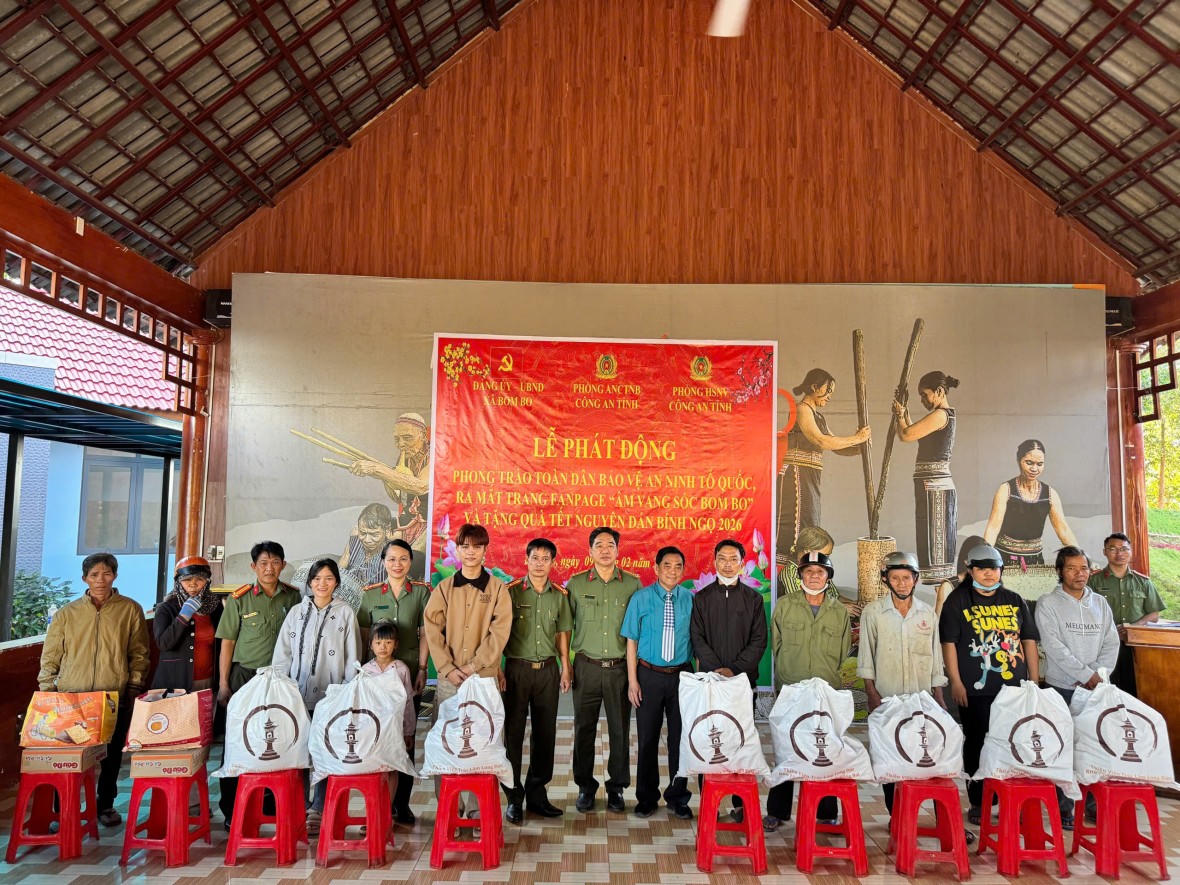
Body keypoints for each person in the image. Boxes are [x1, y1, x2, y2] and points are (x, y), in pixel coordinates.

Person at [38, 552, 150, 828]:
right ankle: (63, 808)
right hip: (72, 698)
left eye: (106, 574)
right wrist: (47, 689)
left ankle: (105, 805)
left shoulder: (130, 610)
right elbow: (51, 655)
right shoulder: (67, 614)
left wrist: (133, 685)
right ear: (84, 578)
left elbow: (139, 652)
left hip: (112, 696)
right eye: (94, 575)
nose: (101, 580)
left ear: (115, 576)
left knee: (111, 756)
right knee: (69, 756)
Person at [940, 543, 1040, 826]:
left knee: (1014, 741)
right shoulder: (957, 601)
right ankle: (979, 801)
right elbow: (948, 644)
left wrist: (1033, 681)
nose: (988, 573)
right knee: (977, 742)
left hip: (1014, 690)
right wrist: (956, 681)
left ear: (1001, 570)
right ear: (970, 570)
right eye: (982, 568)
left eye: (993, 568)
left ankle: (1011, 798)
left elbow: (1028, 641)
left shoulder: (1014, 600)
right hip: (974, 690)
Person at [423, 523, 511, 819]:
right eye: (465, 546)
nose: (470, 552)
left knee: (482, 743)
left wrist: (474, 666)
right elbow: (432, 629)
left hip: (483, 679)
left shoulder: (498, 589)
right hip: (450, 680)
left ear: (485, 550)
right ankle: (449, 808)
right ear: (458, 550)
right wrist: (447, 668)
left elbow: (499, 634)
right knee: (446, 741)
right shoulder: (444, 588)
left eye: (476, 546)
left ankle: (476, 810)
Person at [763, 552, 851, 832]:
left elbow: (843, 652)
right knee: (786, 748)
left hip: (826, 692)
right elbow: (776, 644)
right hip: (791, 690)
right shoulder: (784, 606)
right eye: (809, 571)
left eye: (820, 571)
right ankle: (777, 811)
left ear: (828, 577)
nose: (814, 576)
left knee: (825, 748)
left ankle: (826, 812)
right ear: (800, 575)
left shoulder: (839, 612)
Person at [271, 558, 360, 834]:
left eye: (329, 578)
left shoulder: (345, 613)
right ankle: (299, 804)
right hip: (296, 696)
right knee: (297, 749)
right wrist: (281, 688)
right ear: (309, 582)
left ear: (337, 583)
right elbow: (282, 654)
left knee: (324, 751)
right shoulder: (296, 612)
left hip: (330, 697)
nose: (322, 584)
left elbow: (352, 657)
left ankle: (318, 808)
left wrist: (345, 692)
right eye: (317, 578)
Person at [215, 540, 300, 827]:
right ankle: (231, 809)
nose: (269, 568)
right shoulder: (240, 599)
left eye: (275, 562)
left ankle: (270, 804)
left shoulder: (293, 597)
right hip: (245, 677)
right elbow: (227, 643)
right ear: (253, 567)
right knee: (237, 741)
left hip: (279, 681)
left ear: (283, 565)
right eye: (263, 563)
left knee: (276, 738)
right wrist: (223, 683)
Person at [1035, 545, 1119, 828]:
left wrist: (1098, 675)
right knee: (1063, 748)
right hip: (1063, 688)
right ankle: (1064, 809)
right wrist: (1084, 674)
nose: (1079, 574)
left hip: (1096, 690)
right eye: (1071, 568)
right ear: (1060, 571)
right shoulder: (1048, 603)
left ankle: (1092, 806)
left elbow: (1111, 643)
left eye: (1083, 568)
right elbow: (1053, 646)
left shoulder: (1100, 604)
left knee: (1094, 746)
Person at [857, 551, 947, 815]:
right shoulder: (874, 613)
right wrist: (872, 694)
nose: (901, 583)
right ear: (886, 579)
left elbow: (935, 657)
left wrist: (939, 696)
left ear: (915, 579)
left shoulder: (927, 613)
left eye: (906, 578)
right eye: (895, 578)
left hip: (922, 699)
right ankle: (895, 815)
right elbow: (866, 657)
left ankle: (930, 813)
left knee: (924, 752)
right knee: (891, 756)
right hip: (888, 698)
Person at [689, 538, 768, 821]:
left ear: (742, 564)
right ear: (714, 562)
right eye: (722, 558)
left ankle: (740, 804)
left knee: (739, 741)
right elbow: (697, 638)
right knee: (709, 740)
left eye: (733, 559)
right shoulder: (701, 598)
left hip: (742, 684)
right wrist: (715, 670)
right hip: (709, 684)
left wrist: (734, 670)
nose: (727, 564)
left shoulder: (753, 599)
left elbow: (759, 641)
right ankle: (709, 804)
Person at [567, 526, 642, 814]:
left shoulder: (632, 584)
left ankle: (616, 788)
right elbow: (565, 627)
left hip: (619, 670)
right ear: (590, 551)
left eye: (610, 545)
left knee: (619, 730)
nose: (605, 550)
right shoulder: (576, 584)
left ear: (618, 550)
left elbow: (637, 631)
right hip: (585, 667)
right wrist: (566, 666)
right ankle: (585, 787)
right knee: (583, 729)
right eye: (599, 545)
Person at [356, 538, 430, 821]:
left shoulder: (421, 593)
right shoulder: (371, 595)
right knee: (378, 737)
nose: (397, 564)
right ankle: (379, 805)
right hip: (376, 680)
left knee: (406, 735)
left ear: (410, 562)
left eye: (403, 559)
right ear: (383, 562)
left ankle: (402, 804)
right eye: (391, 559)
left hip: (407, 675)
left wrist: (422, 669)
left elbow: (425, 633)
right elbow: (364, 637)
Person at [501, 538, 573, 824]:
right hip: (516, 670)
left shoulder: (559, 595)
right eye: (535, 558)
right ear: (526, 560)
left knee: (545, 733)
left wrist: (565, 667)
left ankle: (537, 793)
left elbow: (562, 633)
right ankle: (513, 797)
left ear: (553, 563)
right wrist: (498, 668)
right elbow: (500, 632)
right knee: (513, 734)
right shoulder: (511, 592)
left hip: (547, 670)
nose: (540, 564)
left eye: (546, 559)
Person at [621, 546, 695, 819]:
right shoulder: (640, 598)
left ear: (683, 570)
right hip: (648, 675)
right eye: (667, 565)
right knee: (647, 738)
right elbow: (631, 640)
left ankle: (677, 797)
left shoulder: (690, 599)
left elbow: (697, 641)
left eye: (678, 566)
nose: (672, 571)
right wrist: (633, 681)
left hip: (682, 676)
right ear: (656, 568)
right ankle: (646, 797)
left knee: (680, 739)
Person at [775, 368, 871, 566]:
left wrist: (860, 447)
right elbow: (821, 440)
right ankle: (787, 572)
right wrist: (856, 438)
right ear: (814, 387)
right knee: (795, 526)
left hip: (809, 477)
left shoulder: (818, 417)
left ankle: (806, 568)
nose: (829, 396)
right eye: (827, 391)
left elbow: (835, 445)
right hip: (796, 475)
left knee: (809, 524)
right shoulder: (802, 409)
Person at [892, 371, 959, 584]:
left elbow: (906, 435)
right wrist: (903, 412)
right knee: (931, 553)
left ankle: (943, 601)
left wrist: (899, 415)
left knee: (937, 557)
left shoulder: (941, 415)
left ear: (939, 391)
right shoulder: (939, 416)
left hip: (935, 489)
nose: (922, 400)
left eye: (924, 395)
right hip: (930, 487)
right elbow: (914, 433)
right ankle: (941, 599)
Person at [348, 412, 430, 574]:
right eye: (397, 439)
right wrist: (382, 476)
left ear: (423, 435)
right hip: (409, 520)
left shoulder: (434, 455)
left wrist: (379, 470)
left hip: (431, 523)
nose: (401, 444)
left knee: (410, 561)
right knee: (364, 532)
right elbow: (398, 498)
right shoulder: (405, 457)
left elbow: (420, 487)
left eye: (407, 438)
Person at [1087, 532, 1166, 697]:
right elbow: (1086, 611)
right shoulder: (1093, 581)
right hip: (1104, 646)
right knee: (1106, 689)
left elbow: (1154, 614)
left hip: (1136, 647)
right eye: (1113, 549)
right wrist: (1111, 630)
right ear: (1105, 552)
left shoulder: (1143, 582)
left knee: (1136, 688)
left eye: (1124, 549)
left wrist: (1132, 627)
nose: (1119, 553)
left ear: (1130, 551)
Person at [983, 439, 1078, 567]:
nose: (1034, 468)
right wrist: (985, 558)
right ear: (1019, 460)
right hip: (1004, 559)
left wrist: (1081, 558)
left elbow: (1064, 530)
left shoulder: (1050, 494)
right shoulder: (1005, 490)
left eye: (1040, 464)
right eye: (1029, 463)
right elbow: (993, 528)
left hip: (1035, 562)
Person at [360, 621, 417, 824]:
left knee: (392, 767)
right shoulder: (365, 670)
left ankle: (385, 813)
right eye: (378, 642)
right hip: (372, 730)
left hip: (395, 730)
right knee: (374, 769)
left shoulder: (401, 669)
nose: (383, 647)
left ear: (396, 644)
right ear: (370, 645)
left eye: (388, 642)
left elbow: (408, 701)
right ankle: (372, 813)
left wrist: (408, 731)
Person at [152, 555, 222, 692]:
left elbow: (221, 644)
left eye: (199, 579)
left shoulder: (215, 607)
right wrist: (183, 616)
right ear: (178, 582)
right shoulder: (166, 608)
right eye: (187, 579)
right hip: (175, 683)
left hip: (208, 680)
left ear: (207, 582)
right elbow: (164, 644)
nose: (193, 584)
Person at [776, 525, 862, 616]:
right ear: (807, 551)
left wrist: (855, 606)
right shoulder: (790, 574)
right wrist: (840, 609)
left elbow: (834, 597)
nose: (827, 559)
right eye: (825, 555)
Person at [340, 502, 395, 586]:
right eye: (363, 533)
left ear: (387, 531)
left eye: (374, 535)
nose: (367, 540)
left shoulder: (392, 553)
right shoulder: (354, 540)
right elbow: (343, 563)